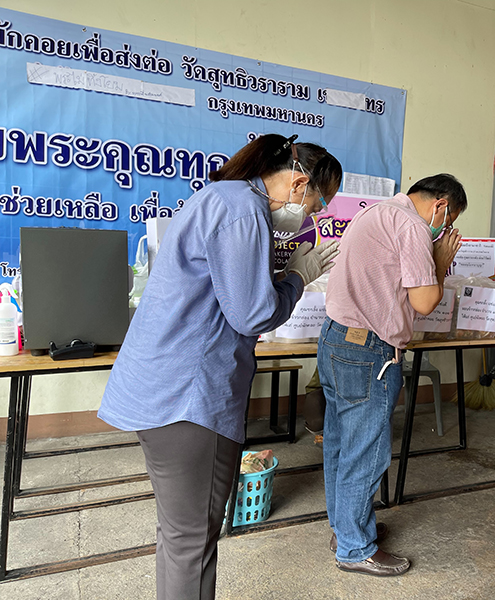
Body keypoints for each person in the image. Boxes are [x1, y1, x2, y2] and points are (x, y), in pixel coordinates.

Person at [98, 134, 342, 599]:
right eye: (319, 201)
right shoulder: (241, 210)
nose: (315, 214)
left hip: (165, 386)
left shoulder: (225, 199)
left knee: (180, 534)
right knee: (192, 538)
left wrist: (282, 266)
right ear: (299, 183)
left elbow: (226, 288)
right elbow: (252, 313)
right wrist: (298, 277)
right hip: (188, 397)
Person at [318, 174, 466, 576]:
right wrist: (439, 260)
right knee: (366, 449)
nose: (444, 230)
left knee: (341, 442)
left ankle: (345, 529)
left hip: (335, 339)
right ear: (440, 205)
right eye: (448, 220)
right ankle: (354, 549)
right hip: (369, 350)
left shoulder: (379, 213)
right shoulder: (414, 226)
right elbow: (424, 300)